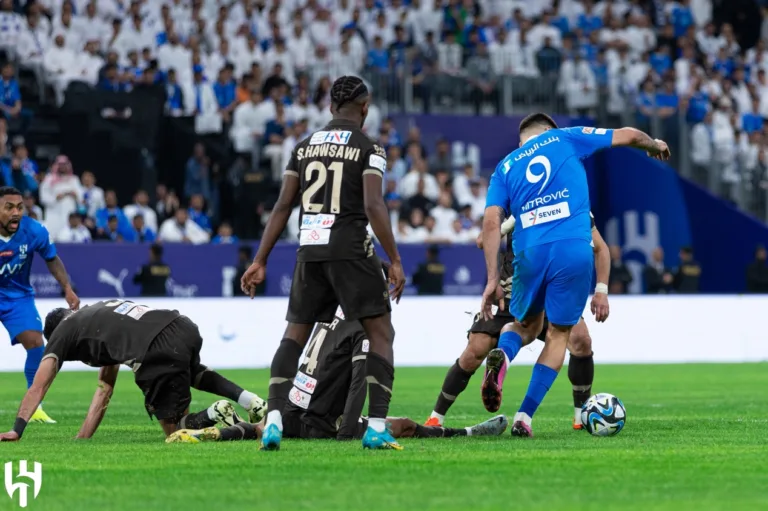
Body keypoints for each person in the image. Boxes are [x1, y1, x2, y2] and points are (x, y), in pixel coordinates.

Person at [240, 75, 406, 451]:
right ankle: (377, 427)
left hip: (310, 250)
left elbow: (283, 205)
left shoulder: (302, 148)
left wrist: (260, 260)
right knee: (381, 334)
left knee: (294, 335)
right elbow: (373, 205)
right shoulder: (370, 148)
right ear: (364, 108)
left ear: (331, 107)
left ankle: (276, 419)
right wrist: (394, 259)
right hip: (350, 250)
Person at [481, 114, 669, 437]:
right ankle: (524, 417)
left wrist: (491, 279)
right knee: (558, 336)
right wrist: (653, 145)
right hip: (572, 248)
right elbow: (626, 134)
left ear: (522, 139)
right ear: (549, 132)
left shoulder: (505, 167)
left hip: (529, 250)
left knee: (524, 325)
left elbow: (489, 227)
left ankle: (504, 355)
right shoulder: (566, 138)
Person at [168, 305, 508, 444]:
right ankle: (467, 432)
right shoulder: (364, 328)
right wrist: (347, 431)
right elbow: (361, 381)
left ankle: (211, 433)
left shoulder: (326, 314)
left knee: (261, 428)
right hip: (321, 421)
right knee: (402, 423)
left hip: (290, 411)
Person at [426, 212, 610, 431]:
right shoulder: (517, 200)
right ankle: (436, 417)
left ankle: (581, 416)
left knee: (581, 340)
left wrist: (601, 290)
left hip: (549, 288)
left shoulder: (573, 204)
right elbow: (482, 240)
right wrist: (505, 228)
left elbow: (601, 248)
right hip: (510, 290)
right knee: (474, 351)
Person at [0, 300, 267, 442]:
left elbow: (38, 386)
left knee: (176, 432)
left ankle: (219, 414)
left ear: (54, 333)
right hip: (181, 326)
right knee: (192, 370)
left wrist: (17, 430)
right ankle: (250, 400)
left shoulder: (62, 334)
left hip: (154, 350)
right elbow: (105, 388)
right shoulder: (97, 314)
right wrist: (83, 437)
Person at [0, 186, 80, 424]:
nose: (16, 212)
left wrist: (66, 287)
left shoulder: (34, 230)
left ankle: (34, 408)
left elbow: (52, 259)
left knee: (37, 344)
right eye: (9, 207)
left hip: (17, 296)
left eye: (20, 207)